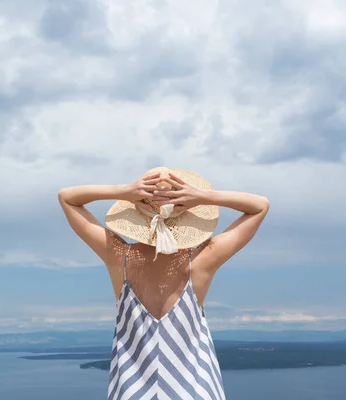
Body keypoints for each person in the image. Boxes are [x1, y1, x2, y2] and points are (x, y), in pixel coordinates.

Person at [57, 166, 270, 400]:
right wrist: (202, 197)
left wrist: (123, 191)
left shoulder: (120, 257)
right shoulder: (201, 261)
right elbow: (259, 206)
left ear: (136, 212)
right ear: (186, 215)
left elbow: (67, 198)